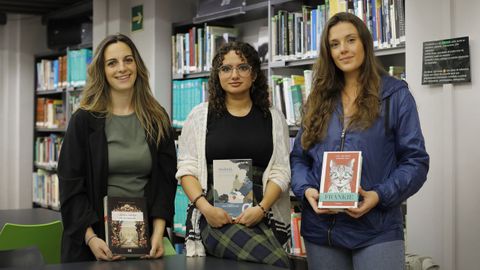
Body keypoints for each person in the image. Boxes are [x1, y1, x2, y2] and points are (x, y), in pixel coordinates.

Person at [290, 12, 429, 270]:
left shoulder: (395, 95)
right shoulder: (318, 98)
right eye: (334, 44)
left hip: (376, 229)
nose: (343, 49)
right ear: (328, 51)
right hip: (322, 232)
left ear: (365, 42)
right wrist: (307, 190)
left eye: (350, 40)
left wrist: (379, 195)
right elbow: (299, 158)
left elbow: (416, 162)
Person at [58, 34, 177, 263]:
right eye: (112, 63)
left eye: (128, 60)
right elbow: (70, 187)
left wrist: (158, 232)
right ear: (102, 71)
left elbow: (165, 180)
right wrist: (92, 238)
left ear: (137, 65)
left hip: (145, 240)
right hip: (95, 242)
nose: (122, 68)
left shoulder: (156, 118)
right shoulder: (83, 120)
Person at [176, 41, 291, 268]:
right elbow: (186, 168)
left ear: (255, 73)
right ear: (217, 74)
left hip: (262, 212)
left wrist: (261, 209)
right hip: (213, 213)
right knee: (276, 262)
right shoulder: (200, 116)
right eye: (226, 68)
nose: (234, 75)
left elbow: (281, 170)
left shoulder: (274, 118)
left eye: (243, 67)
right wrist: (206, 209)